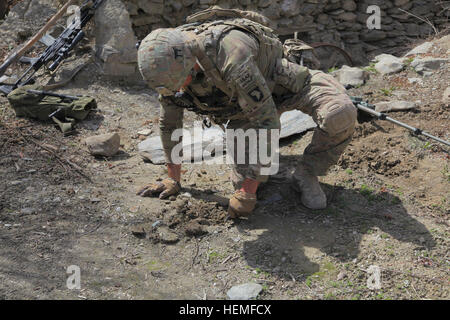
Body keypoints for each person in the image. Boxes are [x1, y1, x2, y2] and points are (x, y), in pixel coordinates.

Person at [135, 13, 357, 218]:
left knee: (340, 112)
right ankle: (264, 170)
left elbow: (268, 122)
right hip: (244, 108)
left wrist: (247, 193)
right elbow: (170, 125)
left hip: (286, 84)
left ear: (191, 63)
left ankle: (306, 172)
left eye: (179, 83)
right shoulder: (169, 71)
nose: (176, 91)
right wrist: (172, 178)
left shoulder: (230, 55)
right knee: (248, 179)